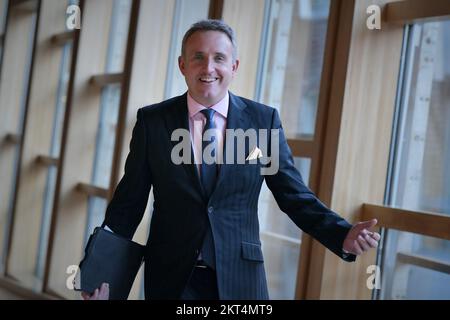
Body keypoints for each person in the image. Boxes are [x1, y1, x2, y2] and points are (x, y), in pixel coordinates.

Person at [82, 19, 380, 300]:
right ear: (182, 65)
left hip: (240, 277)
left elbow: (293, 195)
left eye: (219, 58)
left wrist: (342, 233)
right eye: (197, 57)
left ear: (234, 66)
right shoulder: (153, 122)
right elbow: (128, 204)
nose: (208, 67)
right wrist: (101, 276)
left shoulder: (263, 122)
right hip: (170, 277)